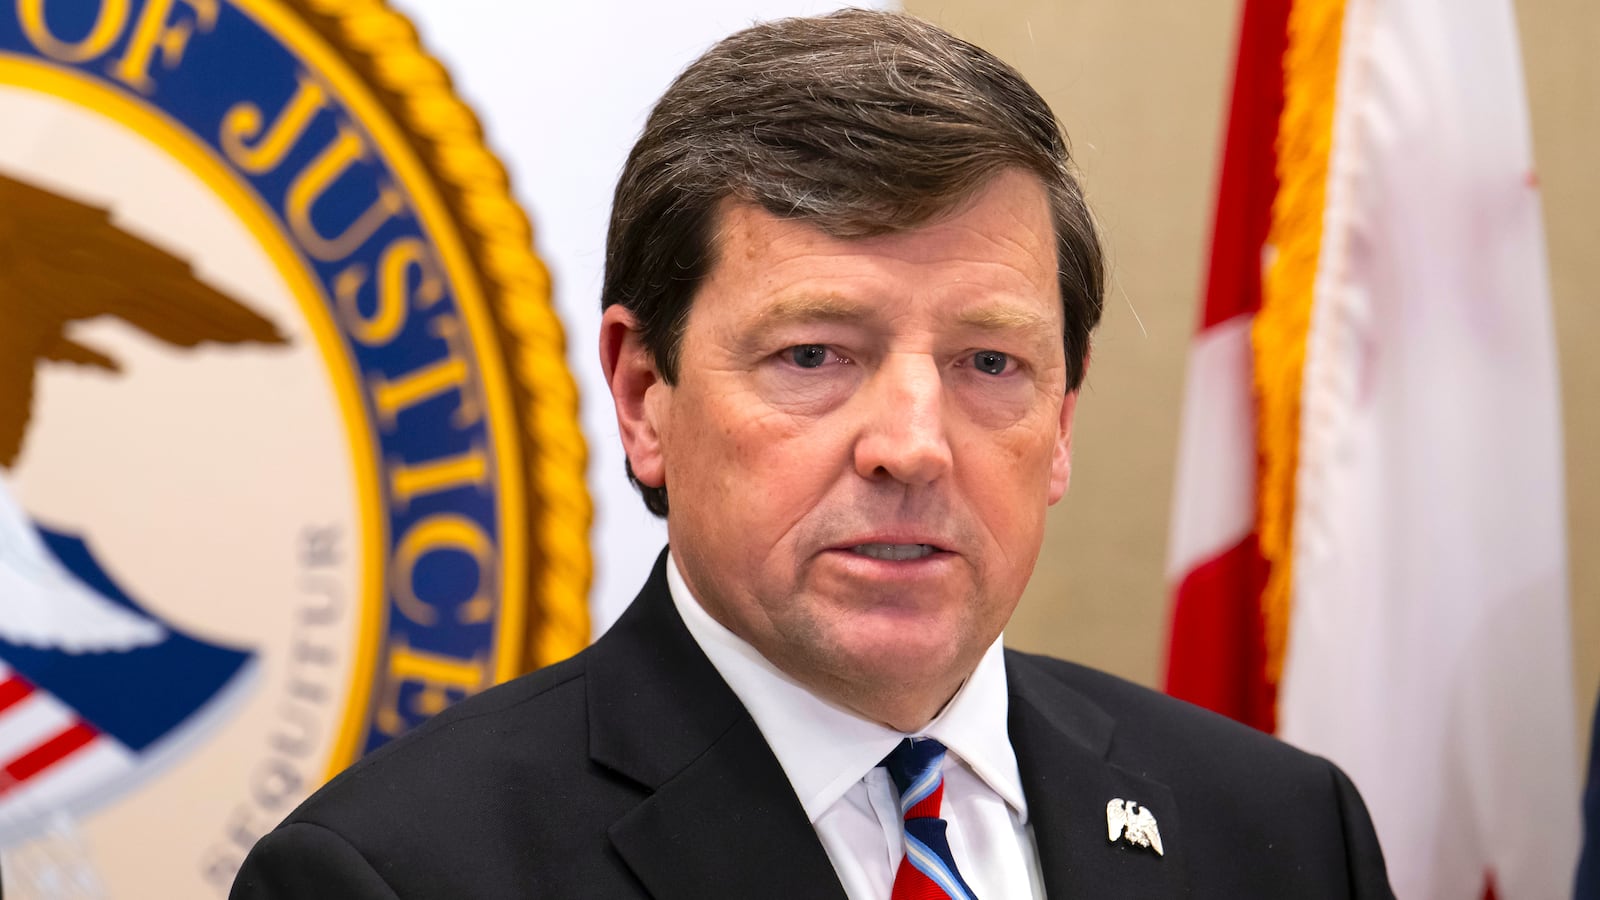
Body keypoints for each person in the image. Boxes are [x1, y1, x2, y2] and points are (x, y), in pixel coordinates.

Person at [231, 10, 1393, 898]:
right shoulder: (396, 875)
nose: (912, 446)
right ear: (644, 396)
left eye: (990, 364)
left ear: (1063, 426)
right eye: (814, 356)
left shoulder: (1280, 832)